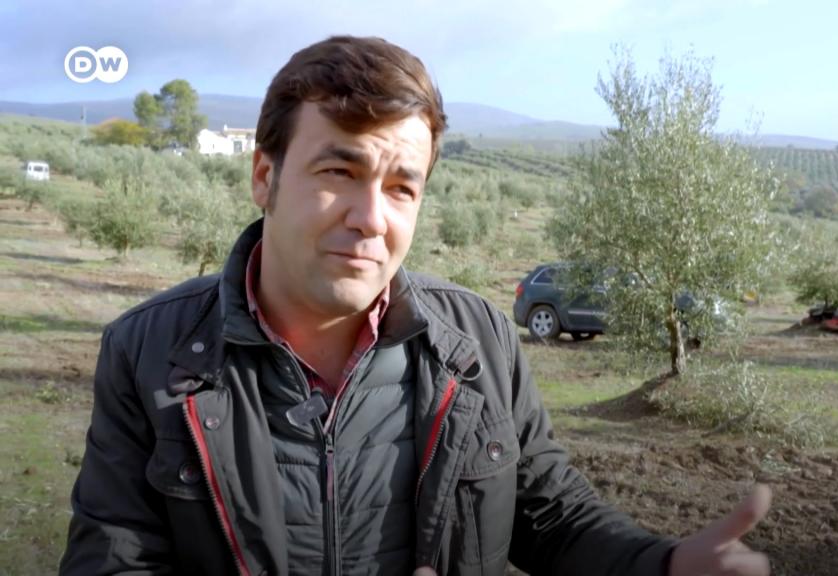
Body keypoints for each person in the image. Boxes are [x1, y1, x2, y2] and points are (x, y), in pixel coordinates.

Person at [59, 35, 772, 576]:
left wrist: (662, 563)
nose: (371, 218)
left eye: (402, 187)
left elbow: (550, 514)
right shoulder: (149, 352)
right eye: (338, 171)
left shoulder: (480, 341)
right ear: (264, 176)